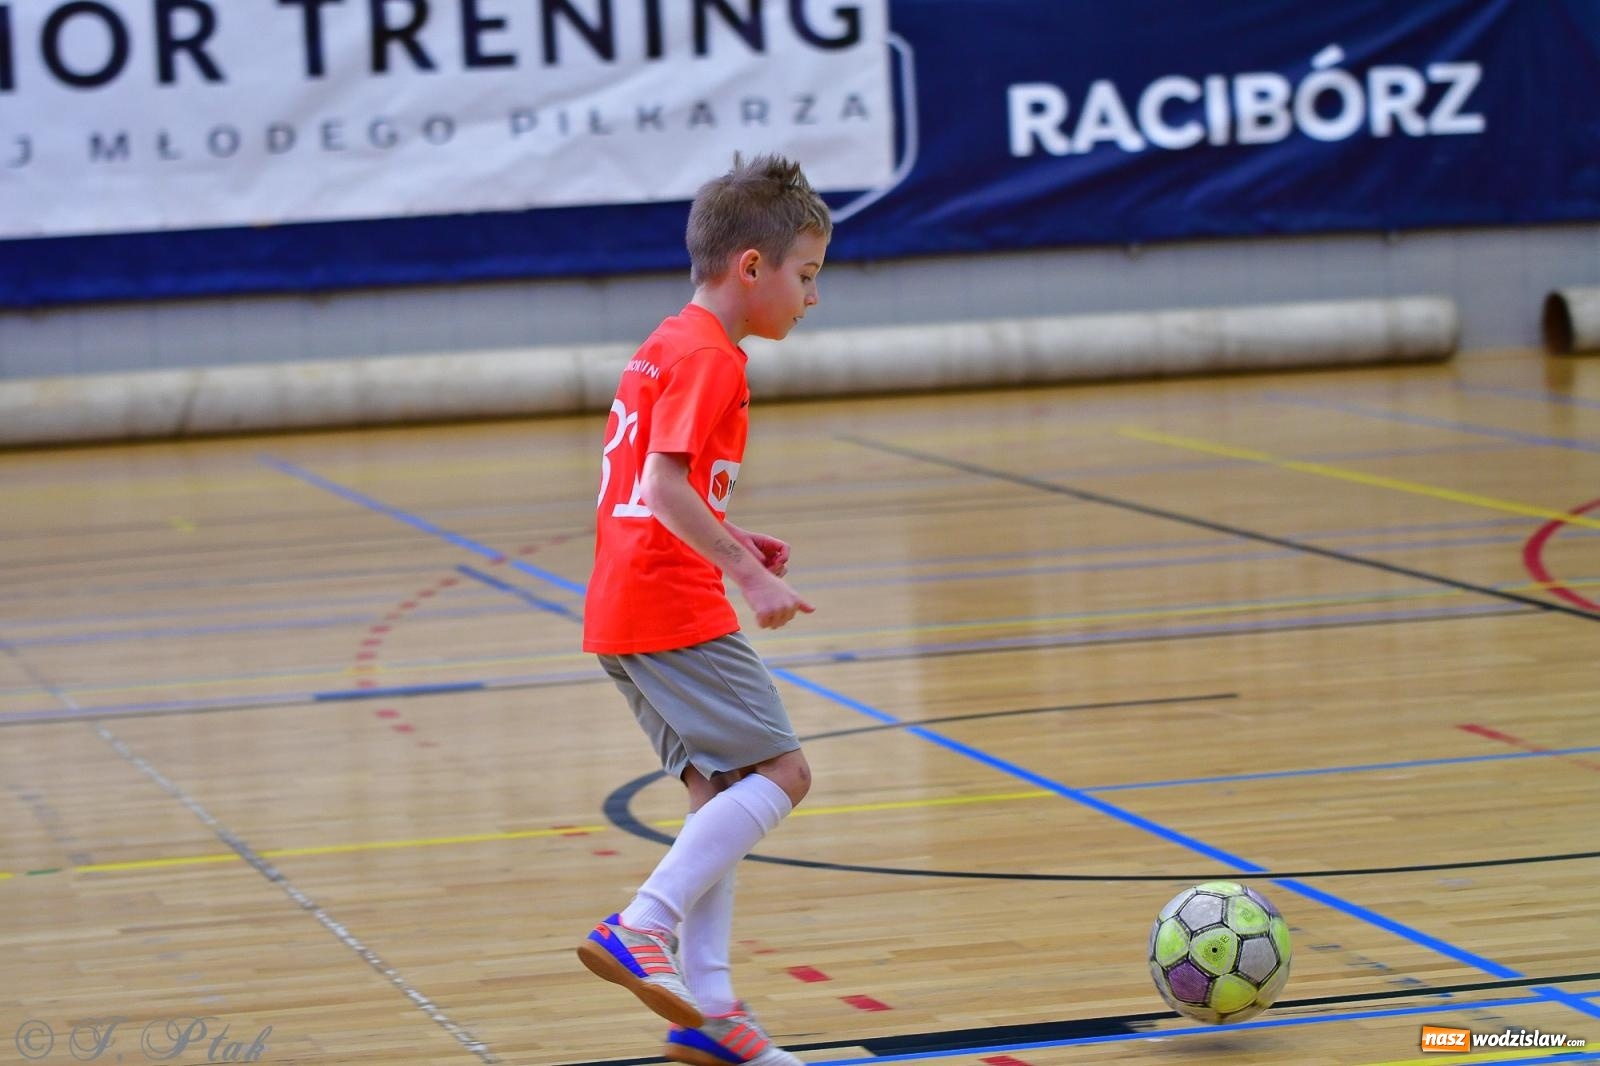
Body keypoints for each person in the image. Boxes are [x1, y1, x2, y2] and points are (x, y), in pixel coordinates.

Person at [576, 154, 831, 1066]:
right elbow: (663, 484)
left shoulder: (666, 341)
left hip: (623, 603)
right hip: (667, 604)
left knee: (718, 794)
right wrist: (748, 577)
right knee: (784, 774)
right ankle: (643, 925)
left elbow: (659, 495)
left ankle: (715, 1015)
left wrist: (734, 534)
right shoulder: (712, 361)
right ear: (751, 268)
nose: (812, 298)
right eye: (807, 277)